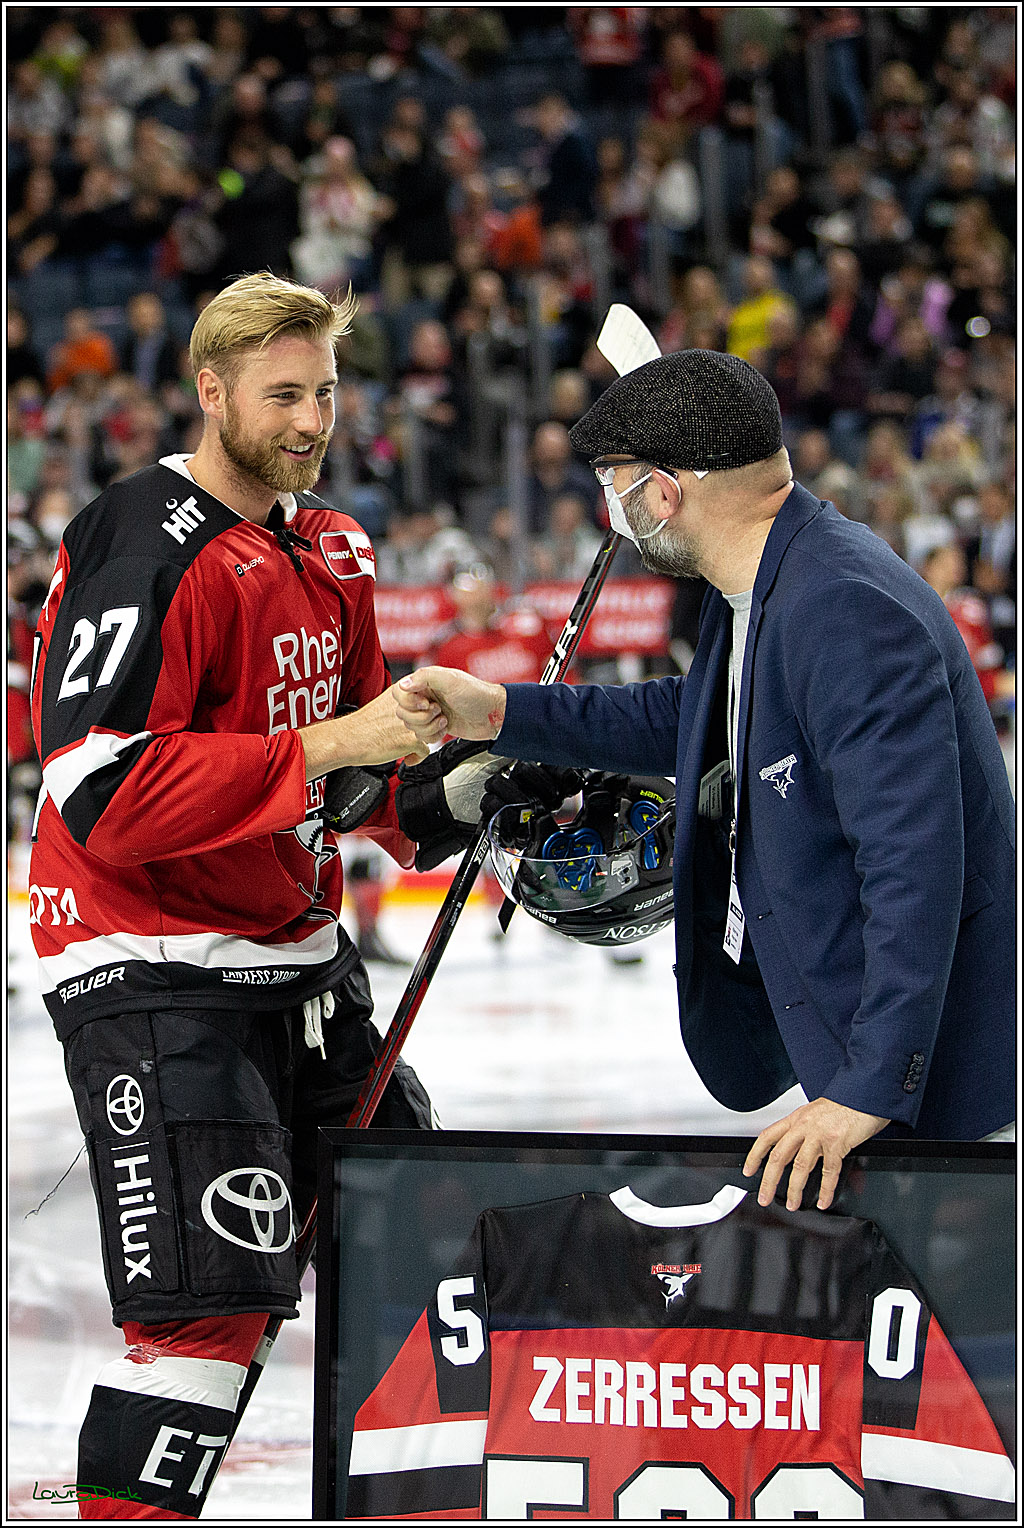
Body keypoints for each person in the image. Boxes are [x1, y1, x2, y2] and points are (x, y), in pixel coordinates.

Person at [27, 271, 504, 1520]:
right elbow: (101, 790)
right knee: (211, 1309)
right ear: (211, 391)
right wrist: (341, 745)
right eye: (282, 394)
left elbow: (357, 779)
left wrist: (465, 800)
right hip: (151, 961)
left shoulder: (332, 545)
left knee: (414, 1244)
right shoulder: (143, 539)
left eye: (326, 393)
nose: (310, 420)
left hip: (298, 957)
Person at [396, 348, 1015, 1216]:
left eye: (614, 486)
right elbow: (691, 715)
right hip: (866, 1068)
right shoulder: (764, 583)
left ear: (663, 492)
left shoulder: (844, 606)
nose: (613, 511)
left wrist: (870, 1089)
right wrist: (499, 710)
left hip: (943, 1106)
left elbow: (916, 866)